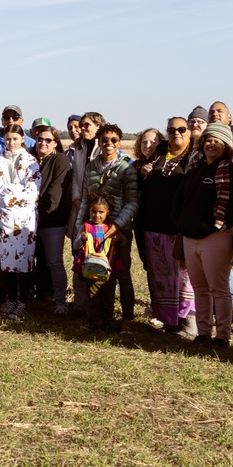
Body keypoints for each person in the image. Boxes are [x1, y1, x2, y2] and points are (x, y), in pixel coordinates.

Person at [178, 125, 233, 345]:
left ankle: (222, 335)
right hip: (190, 236)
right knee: (200, 288)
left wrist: (210, 226)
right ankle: (203, 332)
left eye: (217, 141)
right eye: (208, 140)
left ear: (226, 145)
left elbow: (228, 203)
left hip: (215, 236)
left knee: (218, 287)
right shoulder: (195, 167)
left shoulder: (227, 169)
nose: (211, 144)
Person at [74, 125, 138, 325]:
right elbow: (85, 200)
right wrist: (79, 228)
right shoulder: (92, 166)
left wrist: (117, 225)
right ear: (99, 141)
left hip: (119, 230)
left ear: (119, 143)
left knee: (121, 274)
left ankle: (127, 317)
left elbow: (133, 201)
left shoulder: (127, 166)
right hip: (93, 229)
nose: (108, 143)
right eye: (104, 139)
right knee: (92, 271)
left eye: (113, 140)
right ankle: (93, 314)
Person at [135, 121, 195, 333]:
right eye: (171, 130)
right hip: (153, 227)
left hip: (177, 227)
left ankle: (188, 322)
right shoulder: (159, 156)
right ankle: (169, 322)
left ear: (189, 133)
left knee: (184, 277)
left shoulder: (193, 158)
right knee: (161, 275)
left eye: (181, 129)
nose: (176, 133)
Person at [0, 125, 39, 318]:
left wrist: (4, 192)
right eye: (8, 139)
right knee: (5, 258)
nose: (11, 142)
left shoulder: (31, 161)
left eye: (15, 138)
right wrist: (14, 190)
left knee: (24, 259)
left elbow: (32, 192)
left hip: (24, 220)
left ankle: (23, 300)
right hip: (2, 218)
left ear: (22, 139)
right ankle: (10, 298)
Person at [33, 123, 74, 312]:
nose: (43, 143)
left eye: (48, 140)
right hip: (28, 220)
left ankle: (60, 301)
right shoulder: (29, 159)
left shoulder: (60, 161)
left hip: (52, 219)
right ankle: (30, 296)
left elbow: (54, 191)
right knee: (28, 260)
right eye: (40, 139)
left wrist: (38, 206)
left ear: (55, 143)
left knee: (54, 262)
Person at [72, 195, 119, 330]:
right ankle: (93, 323)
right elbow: (75, 246)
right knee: (92, 296)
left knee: (108, 297)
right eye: (94, 212)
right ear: (89, 211)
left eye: (101, 212)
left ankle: (107, 324)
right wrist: (82, 239)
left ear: (107, 212)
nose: (97, 215)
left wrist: (118, 239)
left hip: (109, 269)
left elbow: (124, 242)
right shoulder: (85, 227)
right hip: (91, 269)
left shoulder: (111, 227)